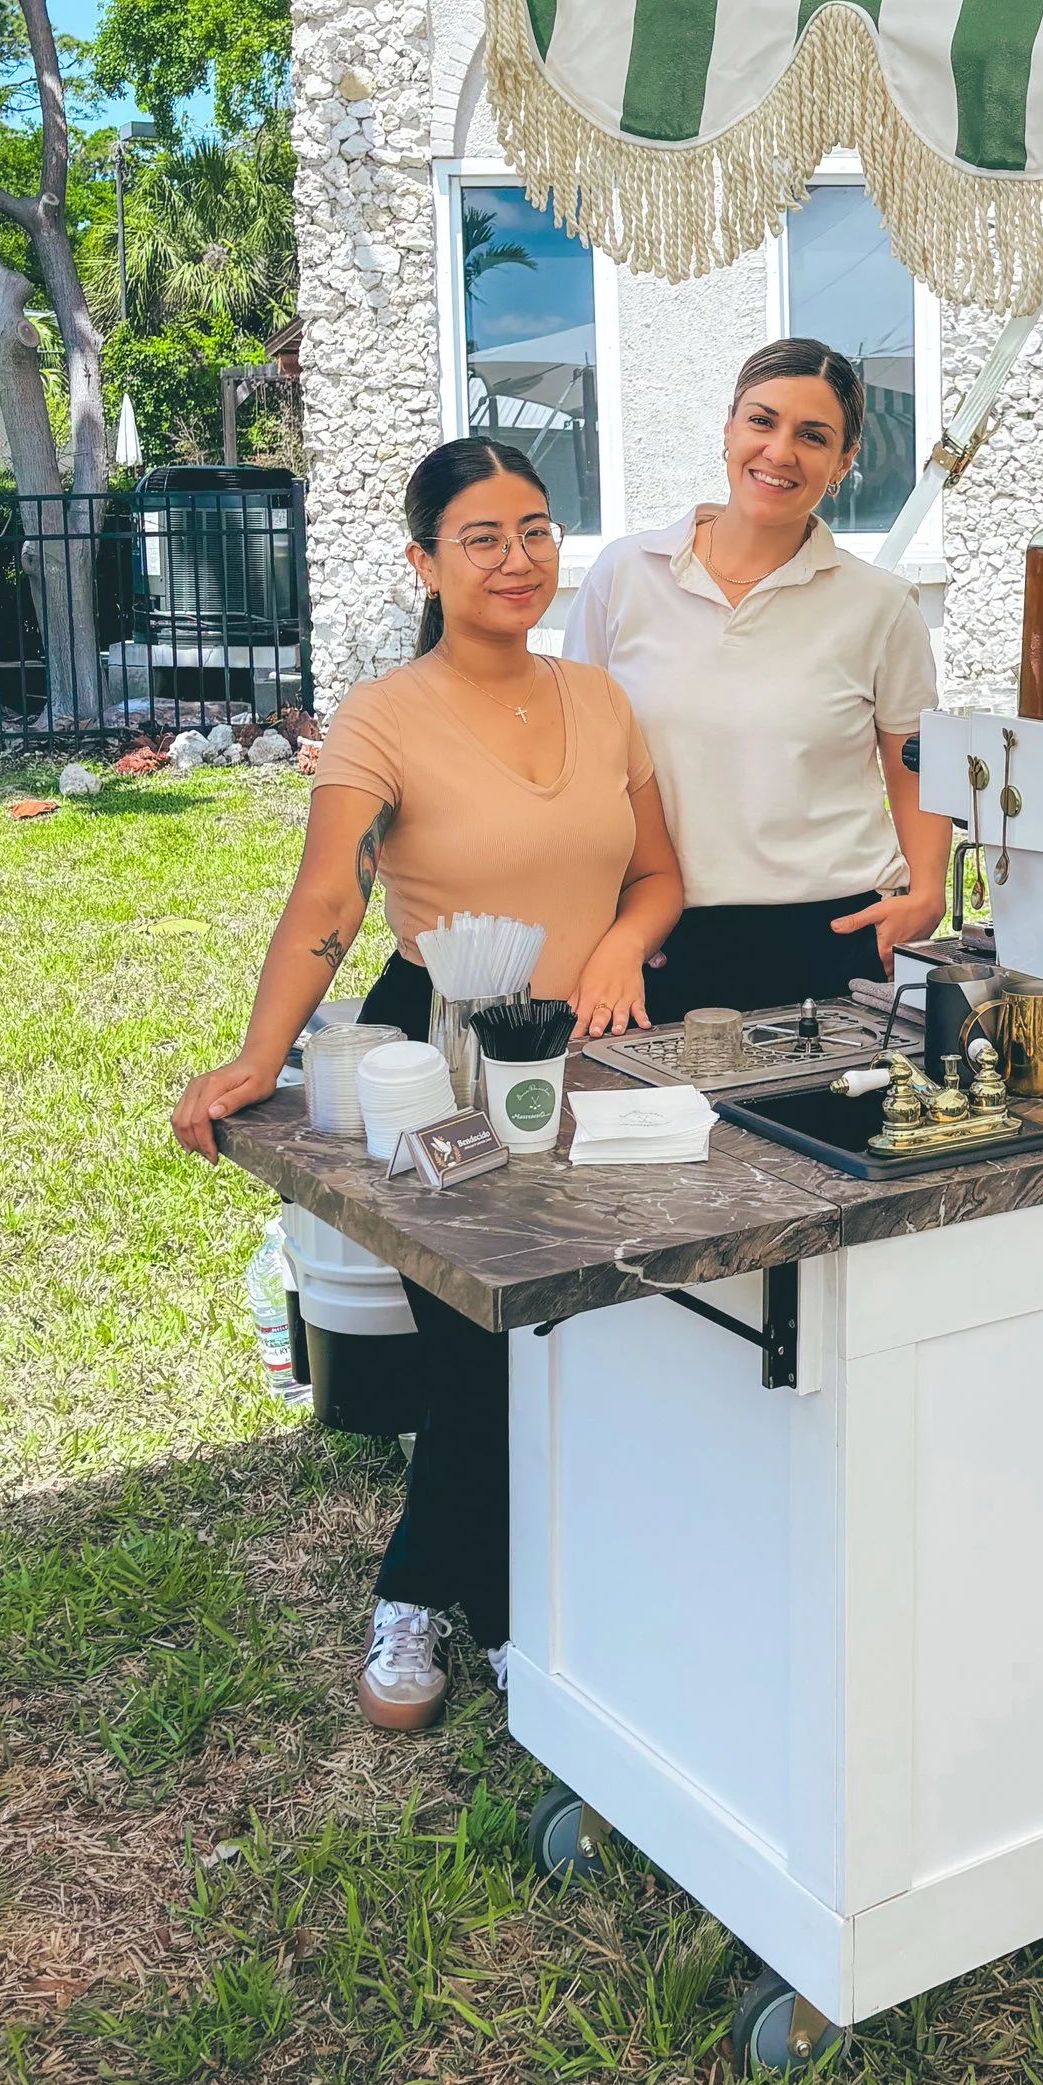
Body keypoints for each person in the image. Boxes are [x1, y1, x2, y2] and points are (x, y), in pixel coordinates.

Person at [172, 435, 683, 1732]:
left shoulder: (604, 700)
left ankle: (519, 1585)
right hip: (438, 1054)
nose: (517, 559)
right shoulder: (382, 716)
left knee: (589, 1332)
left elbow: (656, 874)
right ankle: (463, 1609)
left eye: (533, 529)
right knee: (478, 1343)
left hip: (596, 1046)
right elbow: (329, 897)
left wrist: (624, 943)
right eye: (481, 537)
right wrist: (254, 1052)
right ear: (425, 560)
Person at [565, 338, 951, 1018]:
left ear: (843, 463)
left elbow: (914, 763)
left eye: (813, 436)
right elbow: (578, 760)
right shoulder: (623, 576)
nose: (779, 451)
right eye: (762, 421)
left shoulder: (881, 605)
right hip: (661, 936)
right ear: (728, 428)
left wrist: (928, 890)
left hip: (835, 937)